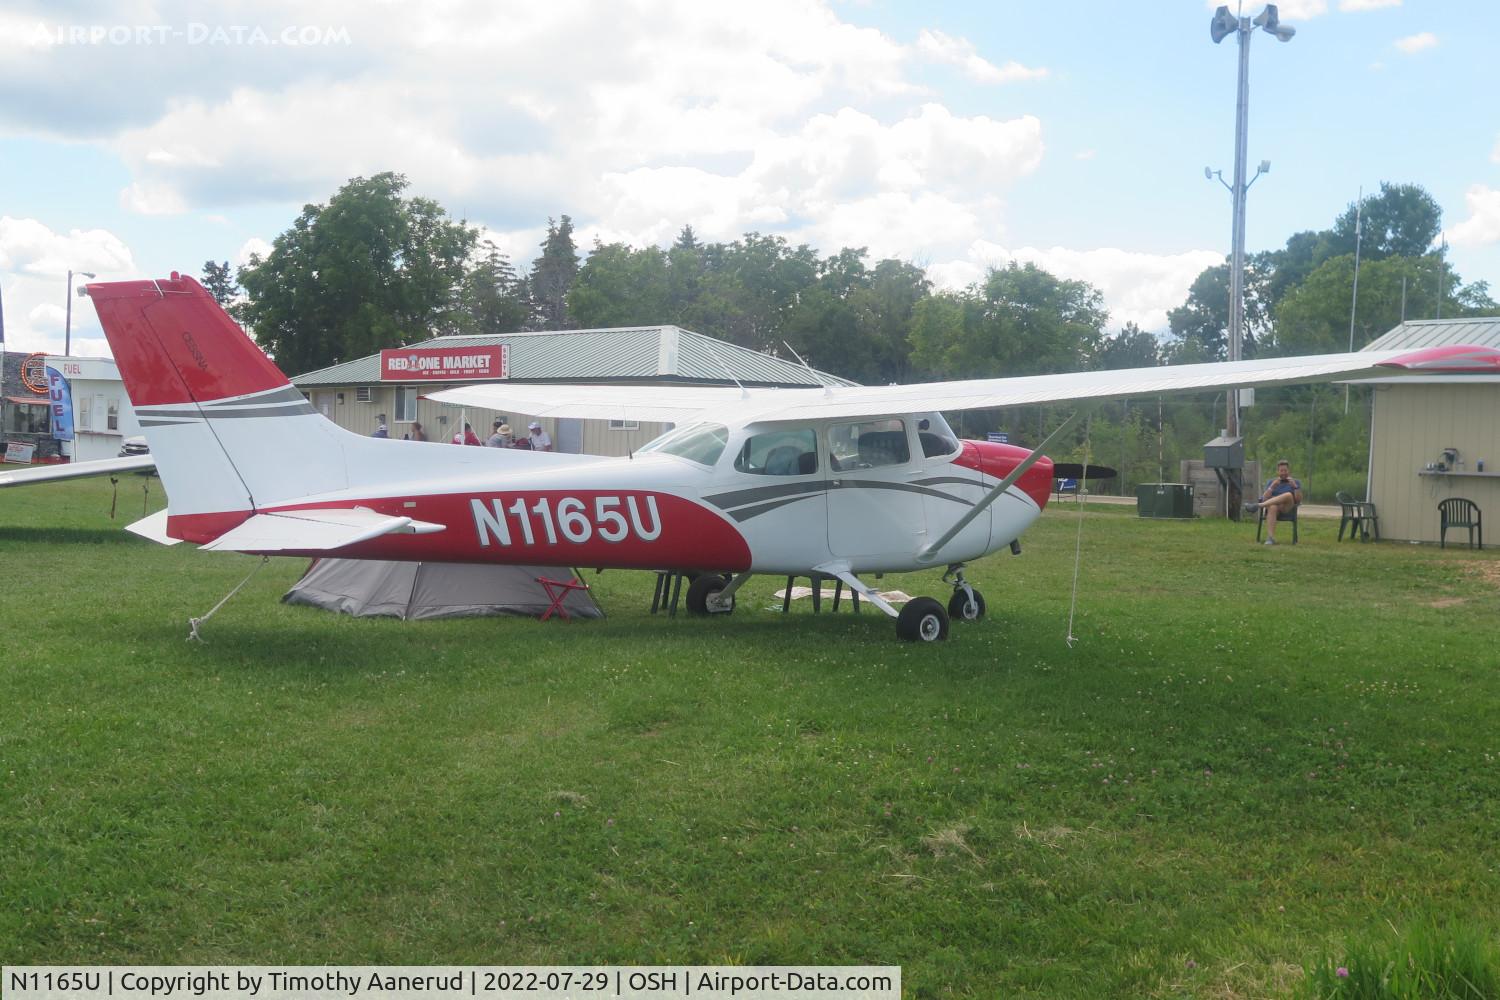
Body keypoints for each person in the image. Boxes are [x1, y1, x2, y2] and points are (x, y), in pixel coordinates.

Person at [1247, 459, 1302, 545]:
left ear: (1289, 471)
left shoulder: (1296, 482)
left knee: (1288, 495)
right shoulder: (1272, 482)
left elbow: (1298, 500)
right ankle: (1270, 538)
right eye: (1281, 471)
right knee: (1272, 507)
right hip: (1275, 509)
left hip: (1287, 507)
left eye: (1285, 470)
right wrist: (1272, 487)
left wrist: (1295, 487)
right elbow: (1264, 498)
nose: (1283, 473)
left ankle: (1258, 506)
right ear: (1278, 472)